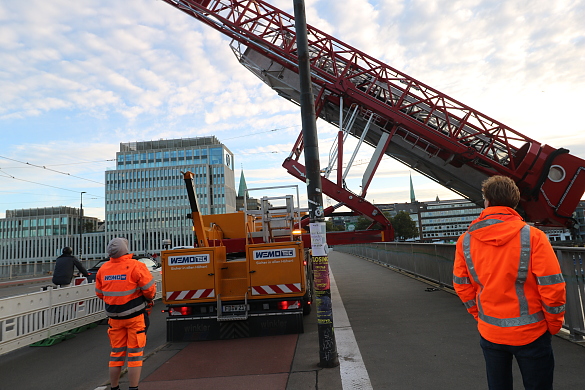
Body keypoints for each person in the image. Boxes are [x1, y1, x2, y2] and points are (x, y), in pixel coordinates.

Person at [453, 175, 566, 390]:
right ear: (514, 202)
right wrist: (553, 324)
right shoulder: (533, 237)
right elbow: (552, 286)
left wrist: (479, 315)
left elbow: (461, 285)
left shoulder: (465, 240)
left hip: (491, 331)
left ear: (486, 201)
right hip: (532, 332)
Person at [95, 237, 156, 390]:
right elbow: (149, 290)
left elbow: (100, 293)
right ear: (126, 250)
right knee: (135, 355)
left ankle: (114, 387)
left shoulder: (103, 269)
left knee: (116, 354)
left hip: (114, 318)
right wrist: (149, 299)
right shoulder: (136, 266)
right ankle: (133, 388)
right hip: (135, 317)